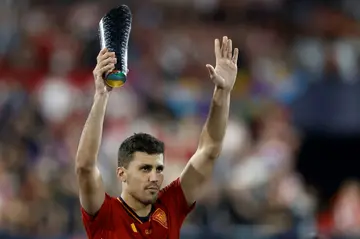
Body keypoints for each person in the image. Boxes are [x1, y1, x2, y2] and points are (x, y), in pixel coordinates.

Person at [75, 36, 239, 239]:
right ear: (122, 173)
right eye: (145, 168)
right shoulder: (105, 214)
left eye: (158, 169)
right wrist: (101, 95)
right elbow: (85, 167)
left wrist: (222, 93)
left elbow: (209, 149)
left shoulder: (170, 207)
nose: (154, 177)